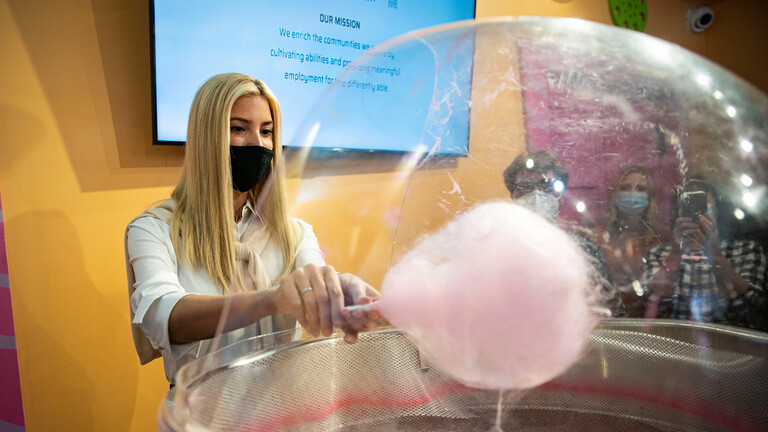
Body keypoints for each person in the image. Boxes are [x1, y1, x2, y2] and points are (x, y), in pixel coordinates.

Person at [126, 73, 381, 383]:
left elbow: (312, 281)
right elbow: (163, 317)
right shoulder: (154, 230)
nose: (257, 143)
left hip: (281, 404)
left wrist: (338, 289)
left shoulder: (294, 234)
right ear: (207, 137)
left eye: (266, 131)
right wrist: (270, 300)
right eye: (238, 128)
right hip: (199, 408)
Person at [503, 150, 623, 317]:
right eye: (525, 187)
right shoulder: (499, 251)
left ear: (561, 196)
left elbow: (612, 312)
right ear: (514, 196)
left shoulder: (584, 250)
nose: (537, 193)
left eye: (546, 185)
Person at [642, 177, 767, 330]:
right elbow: (653, 311)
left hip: (732, 341)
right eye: (688, 203)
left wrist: (715, 255)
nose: (696, 211)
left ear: (717, 208)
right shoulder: (659, 253)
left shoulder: (746, 251)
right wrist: (675, 254)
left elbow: (756, 313)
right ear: (679, 212)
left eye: (701, 202)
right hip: (677, 339)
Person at [594, 166, 666, 317]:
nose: (633, 193)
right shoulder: (599, 237)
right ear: (615, 194)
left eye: (640, 189)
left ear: (650, 196)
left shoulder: (660, 238)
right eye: (625, 188)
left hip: (649, 318)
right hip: (609, 316)